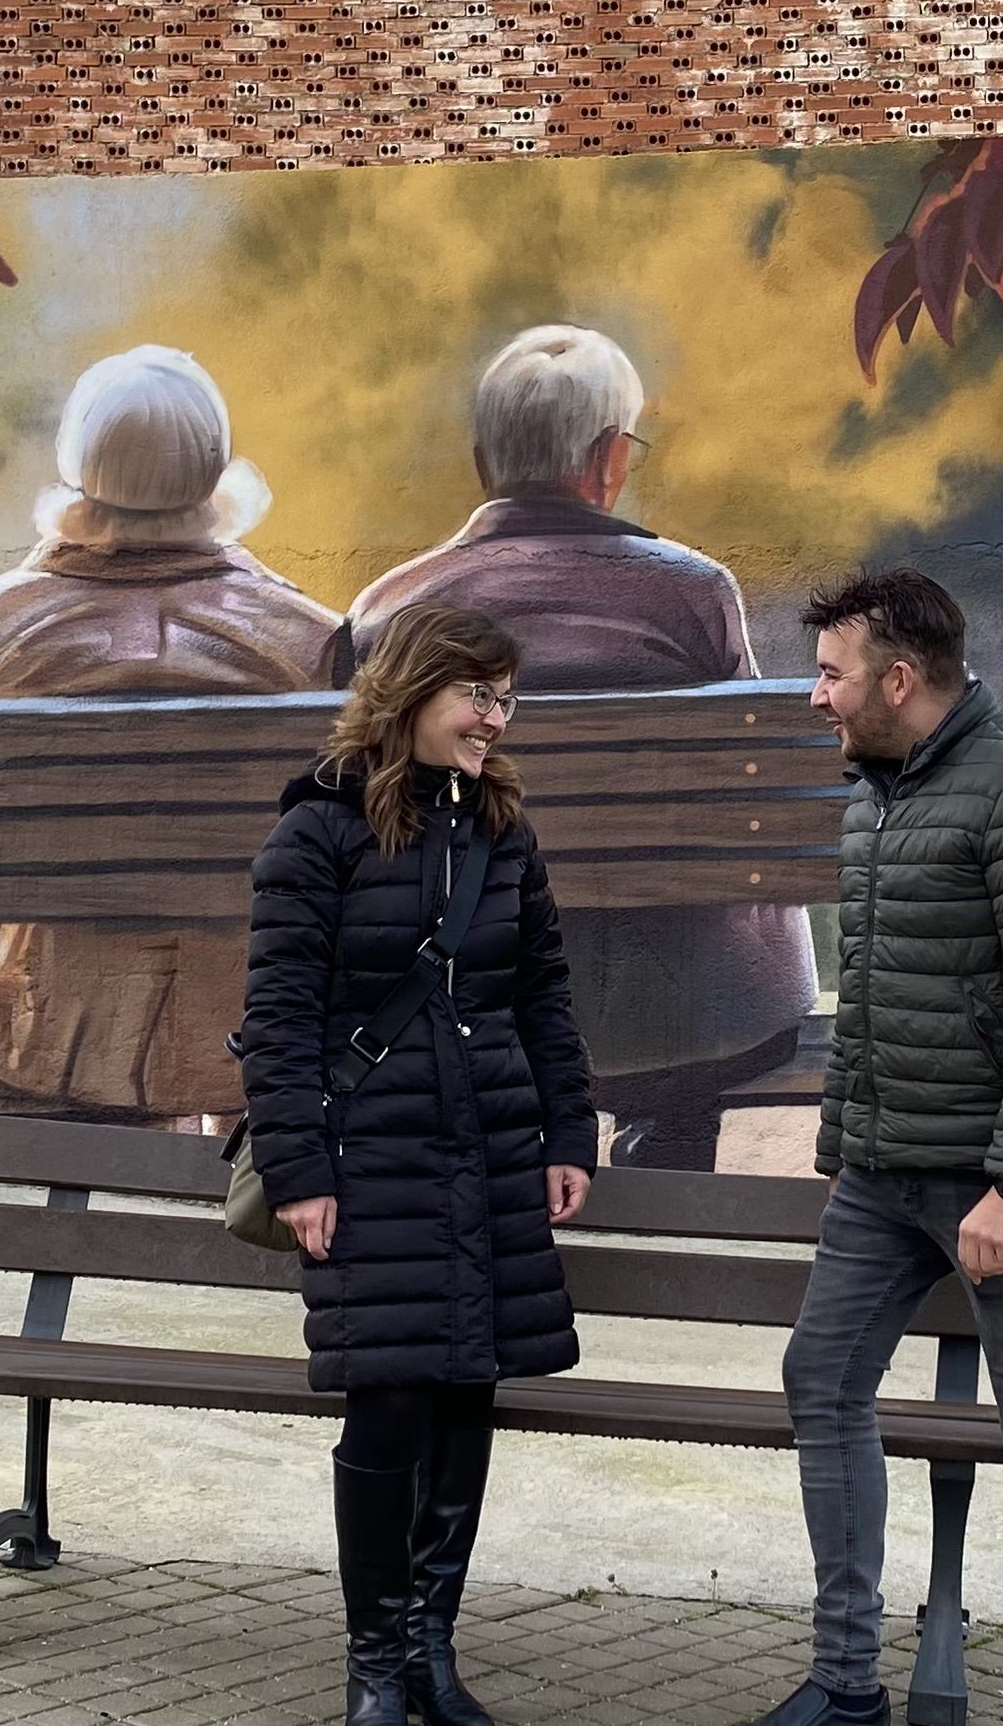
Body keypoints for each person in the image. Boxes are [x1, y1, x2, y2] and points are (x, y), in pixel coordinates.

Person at [704, 569, 1003, 1726]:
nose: (815, 693)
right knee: (819, 1378)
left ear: (899, 678)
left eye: (831, 672)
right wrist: (850, 1142)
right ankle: (847, 1691)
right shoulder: (884, 794)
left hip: (996, 1187)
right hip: (883, 1175)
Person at [238, 603, 600, 1726]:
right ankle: (375, 1661)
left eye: (507, 699)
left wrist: (566, 1131)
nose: (495, 720)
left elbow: (542, 990)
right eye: (476, 696)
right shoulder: (320, 834)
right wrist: (298, 1170)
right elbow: (279, 1022)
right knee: (389, 1403)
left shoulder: (502, 828)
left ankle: (435, 1642)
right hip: (371, 1155)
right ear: (411, 691)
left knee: (463, 1395)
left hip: (487, 1148)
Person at [340, 324, 816, 1168]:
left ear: (486, 463)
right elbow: (749, 799)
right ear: (607, 459)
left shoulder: (388, 612)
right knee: (677, 997)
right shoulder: (695, 595)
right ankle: (664, 1176)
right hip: (695, 1021)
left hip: (467, 1006)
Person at [0, 346, 337, 1117]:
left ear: (76, 467)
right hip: (259, 1024)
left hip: (40, 1030)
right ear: (213, 474)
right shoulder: (314, 641)